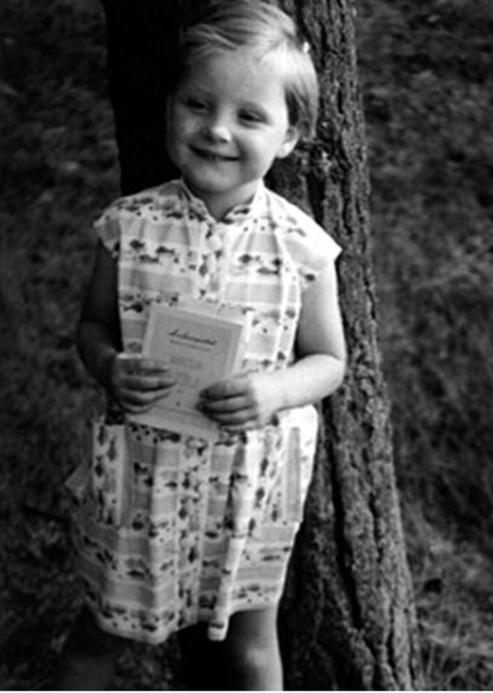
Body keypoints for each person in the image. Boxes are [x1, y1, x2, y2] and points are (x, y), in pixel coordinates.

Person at [56, 1, 346, 689]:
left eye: (250, 116)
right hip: (143, 476)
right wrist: (110, 366)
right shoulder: (129, 225)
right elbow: (92, 326)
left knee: (250, 644)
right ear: (170, 107)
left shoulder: (302, 246)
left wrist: (274, 389)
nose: (216, 130)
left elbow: (330, 361)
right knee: (102, 630)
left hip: (247, 486)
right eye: (197, 103)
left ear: (289, 136)